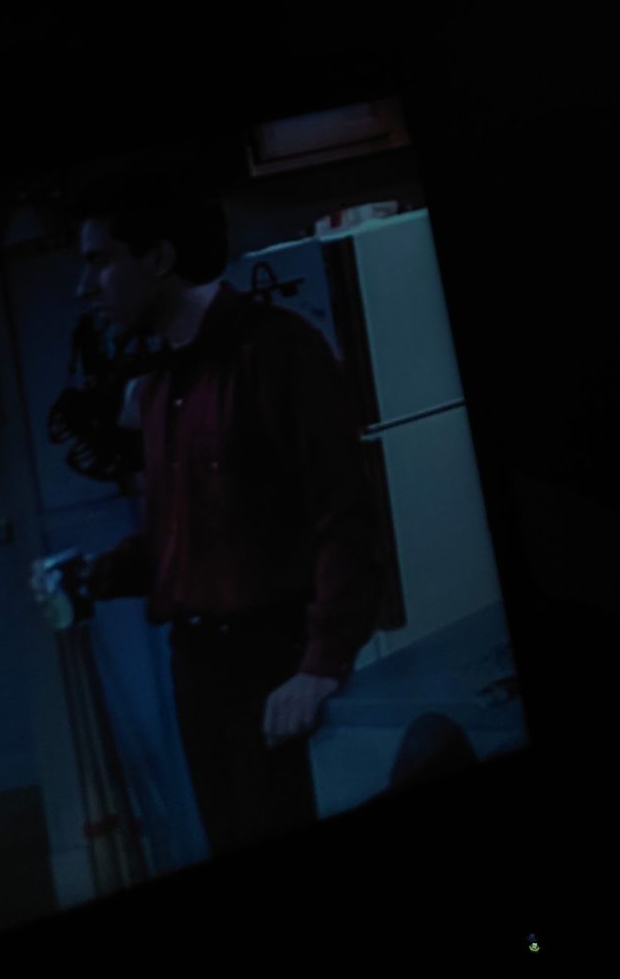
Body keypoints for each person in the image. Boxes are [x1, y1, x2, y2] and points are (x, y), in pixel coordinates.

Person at [31, 168, 387, 861]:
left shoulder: (279, 350)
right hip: (198, 670)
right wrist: (88, 576)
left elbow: (345, 517)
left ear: (159, 258)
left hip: (275, 664)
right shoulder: (159, 386)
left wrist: (320, 664)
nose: (83, 288)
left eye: (99, 262)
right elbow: (177, 537)